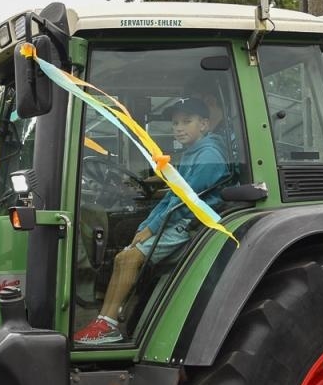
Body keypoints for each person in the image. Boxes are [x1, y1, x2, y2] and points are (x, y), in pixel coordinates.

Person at [71, 92, 229, 345]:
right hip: (177, 218)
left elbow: (185, 199)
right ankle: (105, 320)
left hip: (190, 225)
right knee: (124, 256)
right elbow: (170, 197)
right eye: (175, 123)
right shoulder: (192, 153)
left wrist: (152, 228)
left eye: (186, 121)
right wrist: (146, 226)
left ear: (204, 124)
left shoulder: (209, 155)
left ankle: (108, 323)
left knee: (130, 257)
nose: (178, 128)